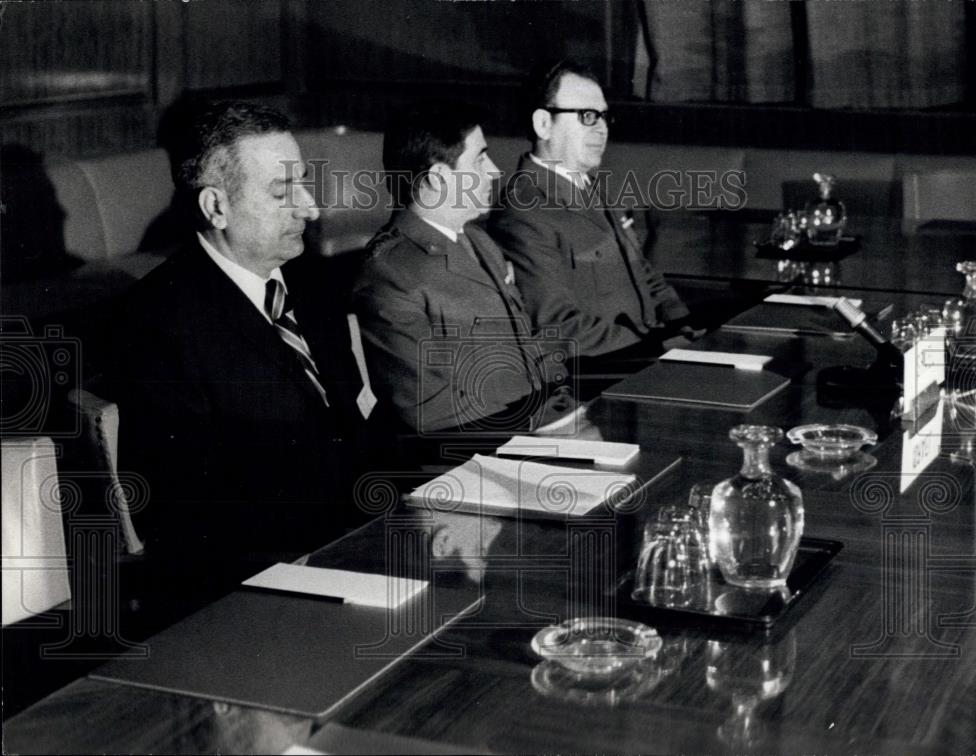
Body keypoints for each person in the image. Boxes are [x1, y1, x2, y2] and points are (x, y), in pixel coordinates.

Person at [109, 101, 383, 614]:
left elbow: (351, 429)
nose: (310, 209)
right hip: (258, 588)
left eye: (304, 184)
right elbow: (182, 515)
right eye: (283, 192)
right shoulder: (157, 322)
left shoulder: (311, 282)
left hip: (357, 550)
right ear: (216, 207)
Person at [353, 100, 572, 435]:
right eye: (480, 158)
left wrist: (566, 411)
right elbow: (427, 407)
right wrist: (539, 425)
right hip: (465, 457)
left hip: (531, 428)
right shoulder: (390, 273)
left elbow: (527, 347)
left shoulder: (477, 240)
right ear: (439, 178)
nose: (495, 171)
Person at [491, 60, 694, 360]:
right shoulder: (524, 211)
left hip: (647, 354)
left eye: (603, 117)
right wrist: (655, 346)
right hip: (603, 375)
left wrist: (683, 325)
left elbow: (645, 276)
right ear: (543, 125)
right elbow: (557, 327)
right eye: (587, 116)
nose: (602, 129)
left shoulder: (595, 187)